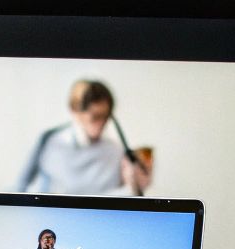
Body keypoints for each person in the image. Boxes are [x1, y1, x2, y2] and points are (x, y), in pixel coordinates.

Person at [16, 79, 151, 195]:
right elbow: (21, 187)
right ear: (75, 110)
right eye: (95, 117)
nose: (101, 123)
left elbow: (108, 202)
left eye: (106, 116)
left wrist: (134, 189)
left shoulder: (115, 150)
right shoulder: (51, 141)